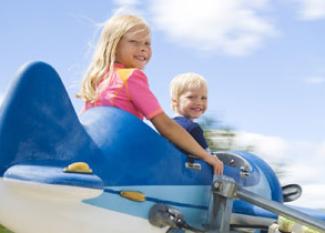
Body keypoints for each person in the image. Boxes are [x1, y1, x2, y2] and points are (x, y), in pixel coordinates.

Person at [78, 14, 223, 175]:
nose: (143, 48)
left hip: (93, 154)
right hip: (122, 157)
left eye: (147, 43)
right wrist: (204, 155)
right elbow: (165, 125)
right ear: (114, 44)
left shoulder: (97, 79)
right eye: (134, 42)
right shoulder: (131, 76)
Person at [170, 72, 209, 152]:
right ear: (175, 101)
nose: (199, 102)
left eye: (203, 98)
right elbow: (210, 158)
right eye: (191, 97)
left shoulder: (165, 127)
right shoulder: (192, 128)